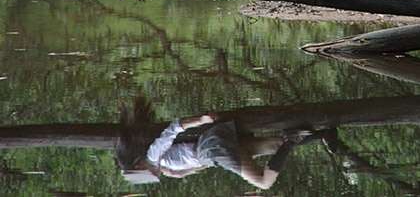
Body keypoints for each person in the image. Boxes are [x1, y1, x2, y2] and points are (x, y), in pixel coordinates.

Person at [116, 99, 338, 190]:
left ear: (139, 164)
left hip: (212, 149)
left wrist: (201, 119)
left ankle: (291, 140)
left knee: (263, 182)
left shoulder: (154, 155)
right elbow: (189, 167)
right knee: (274, 146)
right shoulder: (162, 164)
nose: (155, 174)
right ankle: (324, 134)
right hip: (212, 150)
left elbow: (173, 129)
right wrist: (180, 172)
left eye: (148, 173)